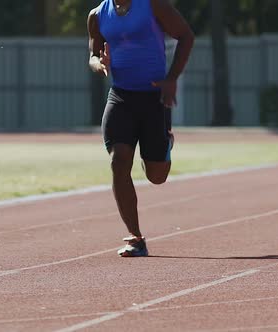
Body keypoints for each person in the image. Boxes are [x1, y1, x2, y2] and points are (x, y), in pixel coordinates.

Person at [87, 0, 194, 257]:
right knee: (119, 160)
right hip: (121, 97)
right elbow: (92, 54)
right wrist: (99, 64)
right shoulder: (97, 15)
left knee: (157, 176)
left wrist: (171, 79)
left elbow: (186, 36)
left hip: (154, 97)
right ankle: (136, 237)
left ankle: (164, 144)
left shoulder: (153, 6)